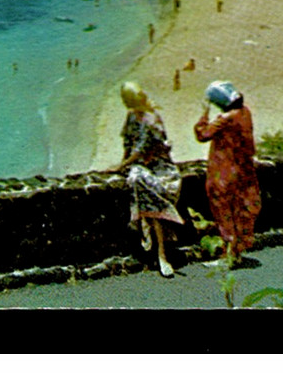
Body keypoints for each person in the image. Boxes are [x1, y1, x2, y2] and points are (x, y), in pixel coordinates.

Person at [109, 81, 183, 277]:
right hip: (142, 167)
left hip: (160, 169)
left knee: (142, 186)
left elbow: (140, 149)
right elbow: (128, 144)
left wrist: (121, 166)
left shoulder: (151, 119)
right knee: (137, 181)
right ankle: (159, 252)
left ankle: (161, 253)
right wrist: (123, 163)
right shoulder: (132, 116)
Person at [194, 80, 261, 267]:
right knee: (239, 211)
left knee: (223, 211)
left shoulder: (224, 119)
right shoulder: (244, 112)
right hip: (243, 170)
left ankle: (228, 256)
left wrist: (204, 114)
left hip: (223, 172)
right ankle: (237, 252)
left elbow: (202, 134)